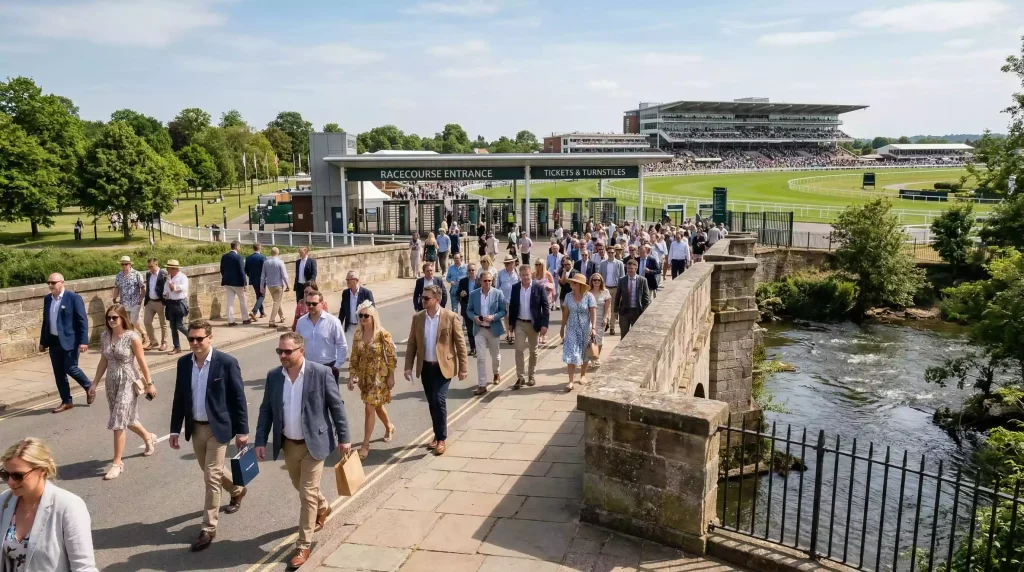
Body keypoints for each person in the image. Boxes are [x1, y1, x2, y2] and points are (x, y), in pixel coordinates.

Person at [255, 332, 351, 569]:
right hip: (288, 443)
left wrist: (344, 437)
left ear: (301, 351)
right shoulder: (274, 376)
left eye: (288, 351)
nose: (283, 356)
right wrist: (259, 440)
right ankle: (323, 506)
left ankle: (303, 544)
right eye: (280, 351)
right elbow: (266, 409)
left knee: (306, 493)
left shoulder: (321, 373)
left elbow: (336, 406)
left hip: (314, 444)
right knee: (301, 486)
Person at [169, 319, 249, 552]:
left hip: (219, 428)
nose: (194, 343)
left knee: (211, 476)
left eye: (199, 338)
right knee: (208, 470)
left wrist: (243, 430)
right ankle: (237, 489)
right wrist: (175, 429)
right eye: (191, 339)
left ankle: (208, 527)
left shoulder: (226, 363)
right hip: (196, 427)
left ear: (210, 338)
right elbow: (179, 397)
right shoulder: (184, 363)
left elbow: (238, 398)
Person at [0, 438, 98, 572]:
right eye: (5, 474)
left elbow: (83, 567)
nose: (10, 482)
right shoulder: (5, 500)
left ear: (41, 470)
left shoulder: (68, 506)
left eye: (18, 475)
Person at [92, 303, 158, 480]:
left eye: (115, 317)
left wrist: (150, 383)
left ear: (122, 318)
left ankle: (117, 463)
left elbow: (142, 362)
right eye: (109, 318)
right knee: (125, 418)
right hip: (111, 381)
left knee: (119, 420)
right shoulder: (105, 336)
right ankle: (148, 436)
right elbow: (103, 362)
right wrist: (94, 383)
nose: (111, 320)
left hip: (128, 380)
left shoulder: (132, 337)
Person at [404, 284, 468, 456]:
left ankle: (441, 438)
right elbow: (412, 344)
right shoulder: (418, 318)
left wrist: (463, 368)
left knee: (439, 400)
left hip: (444, 367)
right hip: (425, 367)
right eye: (422, 298)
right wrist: (408, 366)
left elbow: (460, 344)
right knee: (432, 402)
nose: (422, 300)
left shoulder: (450, 317)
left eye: (426, 298)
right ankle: (436, 434)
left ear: (437, 300)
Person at [346, 301, 397, 459]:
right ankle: (389, 425)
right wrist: (351, 376)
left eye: (366, 315)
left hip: (379, 378)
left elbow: (391, 356)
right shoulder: (358, 334)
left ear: (373, 317)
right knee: (376, 406)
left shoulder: (383, 334)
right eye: (360, 315)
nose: (362, 318)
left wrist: (391, 376)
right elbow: (354, 357)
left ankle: (365, 444)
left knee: (369, 409)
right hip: (364, 378)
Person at [39, 273, 95, 414]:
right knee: (59, 373)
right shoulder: (47, 299)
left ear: (62, 282)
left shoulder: (73, 298)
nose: (51, 285)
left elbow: (82, 320)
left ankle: (89, 386)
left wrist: (83, 341)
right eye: (49, 283)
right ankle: (66, 401)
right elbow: (46, 322)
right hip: (53, 341)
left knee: (70, 368)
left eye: (53, 282)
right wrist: (42, 342)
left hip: (70, 341)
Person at [508, 264, 549, 389]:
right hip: (520, 322)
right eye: (523, 275)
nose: (526, 277)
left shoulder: (538, 287)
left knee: (533, 351)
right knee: (519, 350)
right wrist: (511, 324)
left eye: (527, 275)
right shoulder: (515, 288)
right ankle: (520, 377)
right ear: (520, 276)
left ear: (531, 274)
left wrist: (544, 325)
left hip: (533, 324)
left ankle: (531, 375)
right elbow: (512, 306)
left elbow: (545, 306)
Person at [467, 269, 506, 395]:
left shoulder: (498, 293)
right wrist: (474, 317)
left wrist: (493, 317)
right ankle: (482, 385)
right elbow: (469, 310)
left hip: (493, 329)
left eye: (490, 281)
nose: (488, 283)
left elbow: (503, 310)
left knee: (495, 356)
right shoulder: (474, 294)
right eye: (485, 281)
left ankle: (496, 372)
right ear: (480, 281)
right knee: (481, 358)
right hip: (480, 330)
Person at [295, 290, 349, 382]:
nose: (311, 306)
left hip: (328, 368)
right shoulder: (301, 322)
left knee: (330, 396)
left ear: (322, 304)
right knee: (309, 396)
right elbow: (298, 345)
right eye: (308, 303)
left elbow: (342, 345)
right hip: (308, 368)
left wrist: (337, 366)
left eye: (314, 304)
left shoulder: (333, 321)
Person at [560, 273, 597, 392]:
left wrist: (594, 328)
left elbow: (593, 312)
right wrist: (562, 327)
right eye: (571, 282)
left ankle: (583, 375)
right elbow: (565, 313)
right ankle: (570, 381)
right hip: (571, 328)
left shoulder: (589, 296)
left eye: (574, 282)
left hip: (585, 328)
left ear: (580, 285)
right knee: (572, 354)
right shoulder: (568, 296)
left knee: (584, 353)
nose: (571, 284)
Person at [111, 256, 147, 342]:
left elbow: (142, 287)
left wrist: (140, 299)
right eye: (122, 264)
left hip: (135, 301)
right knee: (127, 322)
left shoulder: (137, 274)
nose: (124, 266)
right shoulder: (119, 275)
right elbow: (116, 287)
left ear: (130, 264)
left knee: (134, 320)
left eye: (126, 264)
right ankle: (132, 339)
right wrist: (114, 297)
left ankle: (144, 333)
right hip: (124, 302)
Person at [615, 258, 652, 338]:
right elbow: (618, 296)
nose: (629, 270)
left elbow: (646, 299)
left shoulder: (643, 280)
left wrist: (643, 312)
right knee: (624, 336)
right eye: (628, 268)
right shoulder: (622, 280)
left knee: (636, 336)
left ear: (636, 269)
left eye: (631, 268)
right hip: (624, 312)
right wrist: (616, 310)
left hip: (637, 312)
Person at [162, 260, 190, 355]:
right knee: (172, 327)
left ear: (174, 269)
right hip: (170, 303)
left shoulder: (183, 277)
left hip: (179, 303)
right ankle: (177, 347)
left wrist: (174, 287)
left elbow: (183, 288)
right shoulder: (169, 277)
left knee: (180, 325)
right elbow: (166, 289)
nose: (167, 269)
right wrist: (165, 294)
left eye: (168, 268)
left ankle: (191, 337)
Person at [339, 270, 375, 343]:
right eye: (347, 279)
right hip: (349, 327)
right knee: (349, 351)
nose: (347, 282)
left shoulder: (366, 293)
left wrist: (372, 328)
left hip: (362, 327)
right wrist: (339, 324)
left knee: (362, 350)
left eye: (349, 279)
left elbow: (372, 312)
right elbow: (342, 310)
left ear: (356, 280)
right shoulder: (345, 293)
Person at [220, 241, 250, 326]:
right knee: (243, 300)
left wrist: (225, 277)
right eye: (239, 247)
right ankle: (245, 319)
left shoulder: (224, 256)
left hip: (227, 282)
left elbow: (222, 269)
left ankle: (231, 321)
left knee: (230, 301)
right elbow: (242, 272)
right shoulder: (238, 257)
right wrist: (244, 283)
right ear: (237, 247)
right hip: (238, 283)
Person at [597, 243, 624, 336]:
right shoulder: (603, 263)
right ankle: (606, 324)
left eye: (612, 252)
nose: (611, 254)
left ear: (615, 253)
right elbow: (599, 276)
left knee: (613, 309)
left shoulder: (619, 263)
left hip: (615, 288)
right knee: (604, 308)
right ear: (607, 253)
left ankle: (612, 327)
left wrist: (621, 290)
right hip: (605, 288)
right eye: (609, 252)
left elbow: (622, 277)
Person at [143, 258, 169, 352]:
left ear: (157, 265)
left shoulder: (164, 273)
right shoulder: (148, 274)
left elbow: (168, 288)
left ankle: (164, 342)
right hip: (150, 301)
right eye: (148, 267)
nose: (150, 268)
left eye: (151, 266)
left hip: (160, 302)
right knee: (147, 322)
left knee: (163, 324)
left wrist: (165, 301)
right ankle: (153, 341)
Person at [260, 247, 290, 327]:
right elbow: (284, 275)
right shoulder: (280, 262)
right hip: (278, 285)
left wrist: (261, 286)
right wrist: (288, 285)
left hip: (269, 285)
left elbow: (263, 276)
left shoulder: (266, 262)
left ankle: (282, 316)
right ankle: (271, 321)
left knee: (277, 301)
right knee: (276, 302)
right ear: (278, 253)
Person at [588, 273, 612, 368]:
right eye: (594, 280)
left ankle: (597, 356)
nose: (596, 282)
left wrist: (606, 318)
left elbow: (608, 307)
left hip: (601, 318)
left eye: (598, 280)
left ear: (601, 281)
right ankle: (590, 358)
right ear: (591, 281)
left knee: (599, 340)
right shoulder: (588, 292)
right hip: (589, 318)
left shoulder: (605, 292)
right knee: (590, 339)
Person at [455, 263, 478, 357]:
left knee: (478, 330)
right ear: (467, 271)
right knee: (470, 330)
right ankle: (473, 348)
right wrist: (461, 293)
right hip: (467, 308)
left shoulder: (480, 281)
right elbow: (457, 293)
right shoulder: (463, 281)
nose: (471, 272)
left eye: (473, 270)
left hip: (478, 309)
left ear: (475, 270)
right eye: (469, 270)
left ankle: (479, 348)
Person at [496, 255, 520, 344]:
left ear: (513, 263)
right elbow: (497, 286)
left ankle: (513, 333)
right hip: (504, 299)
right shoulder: (501, 273)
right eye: (505, 263)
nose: (506, 264)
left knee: (513, 317)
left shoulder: (517, 273)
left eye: (508, 263)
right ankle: (509, 334)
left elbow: (520, 285)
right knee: (506, 317)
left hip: (514, 299)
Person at [245, 243, 267, 321]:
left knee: (258, 295)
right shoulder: (262, 257)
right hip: (262, 280)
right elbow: (266, 269)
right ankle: (254, 311)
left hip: (253, 279)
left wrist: (250, 276)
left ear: (253, 248)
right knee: (262, 296)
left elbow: (246, 270)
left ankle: (262, 312)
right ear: (260, 248)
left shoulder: (248, 258)